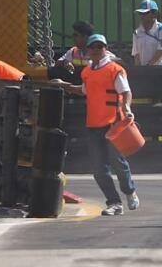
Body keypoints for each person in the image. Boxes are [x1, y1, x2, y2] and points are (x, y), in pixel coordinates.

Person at [59, 34, 139, 216]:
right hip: (93, 124)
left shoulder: (114, 70)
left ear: (105, 49)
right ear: (88, 50)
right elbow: (84, 90)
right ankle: (114, 203)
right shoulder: (87, 72)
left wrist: (126, 107)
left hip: (113, 123)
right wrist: (66, 86)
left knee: (118, 162)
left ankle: (129, 191)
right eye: (93, 47)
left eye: (99, 46)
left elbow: (126, 92)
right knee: (98, 167)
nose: (96, 50)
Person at [132, 0, 162, 66]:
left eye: (145, 13)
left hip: (161, 70)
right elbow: (136, 54)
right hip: (144, 72)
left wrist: (148, 66)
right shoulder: (137, 32)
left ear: (154, 14)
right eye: (140, 13)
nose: (142, 16)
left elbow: (160, 51)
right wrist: (138, 71)